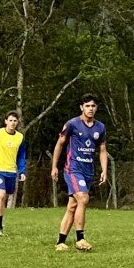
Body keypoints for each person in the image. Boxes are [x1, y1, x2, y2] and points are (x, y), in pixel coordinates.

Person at [50, 97, 108, 252]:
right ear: (81, 107)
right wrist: (54, 166)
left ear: (96, 108)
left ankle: (61, 241)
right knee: (83, 198)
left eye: (93, 106)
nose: (90, 108)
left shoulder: (100, 127)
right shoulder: (72, 124)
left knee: (73, 205)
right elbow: (60, 144)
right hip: (72, 169)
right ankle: (80, 239)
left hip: (88, 171)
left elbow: (102, 150)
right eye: (87, 106)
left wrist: (104, 170)